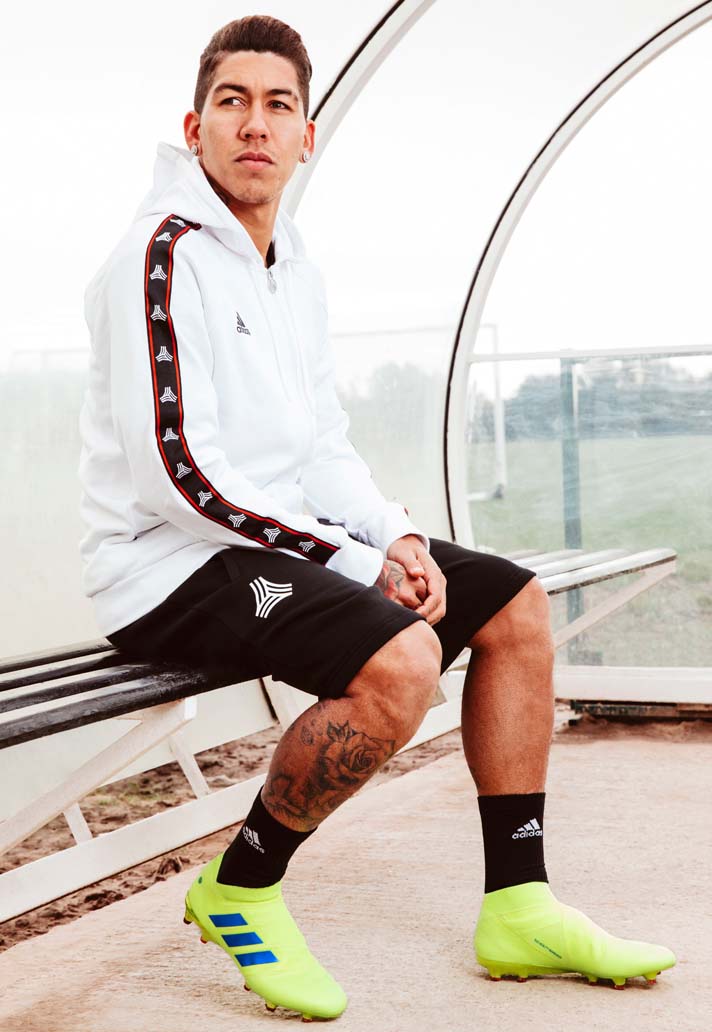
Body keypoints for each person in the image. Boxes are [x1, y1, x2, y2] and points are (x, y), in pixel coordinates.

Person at [77, 14, 675, 1023]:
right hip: (166, 567)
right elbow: (180, 474)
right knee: (401, 660)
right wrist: (355, 564)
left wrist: (391, 534)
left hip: (265, 544)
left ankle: (519, 905)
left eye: (278, 105)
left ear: (305, 135)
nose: (255, 124)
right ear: (194, 127)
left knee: (515, 607)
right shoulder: (159, 254)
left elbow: (321, 445)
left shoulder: (290, 262)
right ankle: (241, 888)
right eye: (231, 102)